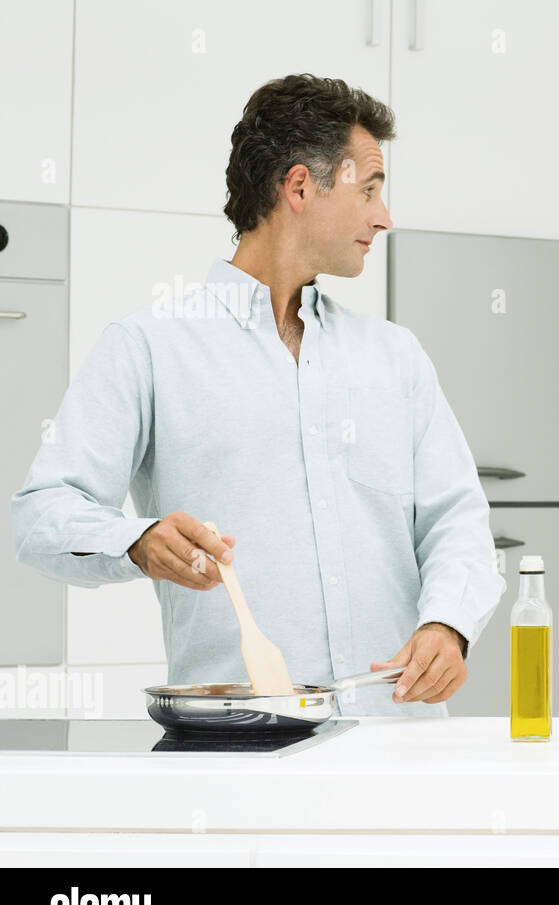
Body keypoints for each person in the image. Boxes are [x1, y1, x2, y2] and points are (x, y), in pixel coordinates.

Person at [10, 74, 505, 715]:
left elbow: (457, 519)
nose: (384, 217)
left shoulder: (396, 357)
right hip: (242, 745)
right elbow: (41, 515)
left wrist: (448, 623)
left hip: (401, 739)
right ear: (300, 186)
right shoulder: (150, 346)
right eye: (370, 191)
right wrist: (135, 540)